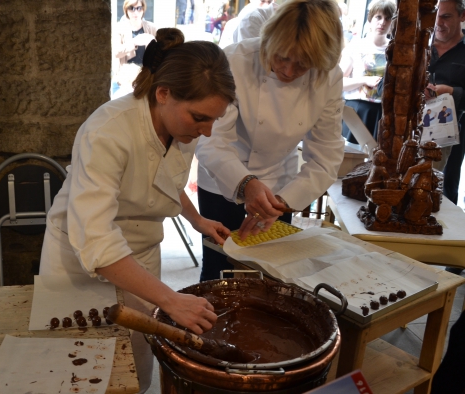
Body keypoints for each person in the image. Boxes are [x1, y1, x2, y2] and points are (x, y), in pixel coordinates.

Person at [40, 28, 236, 393]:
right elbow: (96, 240)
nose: (207, 131)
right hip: (79, 259)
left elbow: (165, 180)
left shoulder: (181, 129)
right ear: (163, 94)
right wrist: (171, 298)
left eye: (214, 120)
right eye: (200, 118)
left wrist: (198, 220)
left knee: (130, 369)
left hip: (140, 260)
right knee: (74, 372)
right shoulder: (108, 131)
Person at [195, 0, 345, 282]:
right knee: (219, 268)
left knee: (271, 271)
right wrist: (246, 184)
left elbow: (326, 156)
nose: (288, 71)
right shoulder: (233, 61)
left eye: (302, 65)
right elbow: (211, 139)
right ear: (269, 40)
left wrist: (282, 202)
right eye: (280, 57)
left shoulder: (328, 77)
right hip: (222, 176)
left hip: (281, 182)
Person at [425, 0, 465, 207]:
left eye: (446, 16)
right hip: (409, 133)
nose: (438, 23)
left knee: (442, 195)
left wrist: (451, 92)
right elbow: (383, 87)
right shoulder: (416, 46)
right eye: (435, 16)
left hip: (452, 136)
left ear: (463, 16)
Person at [339, 0, 396, 144]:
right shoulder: (356, 46)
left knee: (376, 161)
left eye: (387, 18)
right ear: (370, 19)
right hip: (356, 110)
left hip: (383, 113)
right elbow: (337, 82)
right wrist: (363, 80)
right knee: (350, 158)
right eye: (378, 17)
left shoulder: (395, 50)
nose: (382, 22)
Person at [111, 0, 157, 97]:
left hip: (145, 76)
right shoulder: (119, 28)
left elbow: (159, 51)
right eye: (131, 8)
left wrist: (151, 42)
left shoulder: (151, 27)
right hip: (125, 78)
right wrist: (134, 42)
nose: (135, 12)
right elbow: (116, 52)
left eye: (139, 8)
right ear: (126, 10)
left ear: (143, 9)